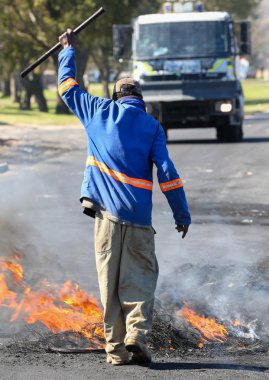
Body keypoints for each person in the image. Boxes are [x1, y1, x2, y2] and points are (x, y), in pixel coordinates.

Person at [58, 30, 191, 366]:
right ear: (140, 99)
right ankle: (136, 336)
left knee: (109, 284)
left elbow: (66, 86)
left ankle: (116, 351)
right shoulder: (152, 127)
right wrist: (181, 214)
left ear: (116, 96)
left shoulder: (97, 111)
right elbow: (168, 175)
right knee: (140, 279)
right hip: (139, 218)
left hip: (105, 218)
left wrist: (67, 51)